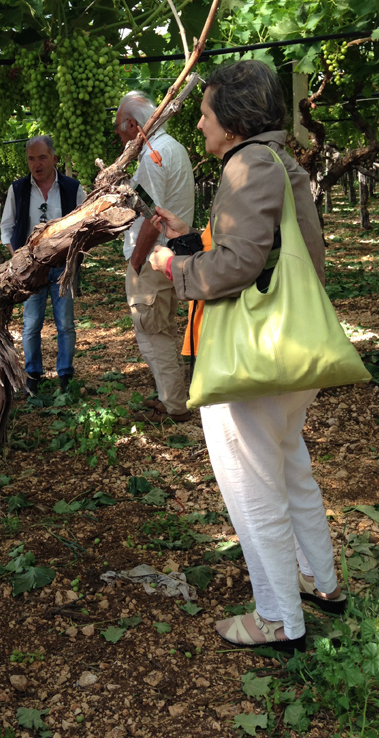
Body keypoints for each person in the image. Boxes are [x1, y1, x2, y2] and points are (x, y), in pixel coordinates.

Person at [149, 60, 346, 652]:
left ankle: (279, 618)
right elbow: (259, 248)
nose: (201, 125)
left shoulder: (247, 164)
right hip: (288, 349)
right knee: (290, 469)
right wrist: (188, 236)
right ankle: (321, 582)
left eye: (206, 114)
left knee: (251, 487)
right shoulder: (277, 162)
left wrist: (170, 264)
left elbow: (236, 267)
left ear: (233, 119)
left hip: (253, 361)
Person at [114, 91, 194, 423]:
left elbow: (153, 216)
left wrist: (135, 261)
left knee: (152, 334)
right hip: (171, 254)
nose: (122, 142)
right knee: (163, 329)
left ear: (132, 125)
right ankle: (173, 397)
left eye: (121, 133)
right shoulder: (174, 148)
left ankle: (175, 407)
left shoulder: (153, 155)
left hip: (151, 259)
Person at [0, 135, 85, 393]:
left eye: (42, 157)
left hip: (62, 268)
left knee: (65, 323)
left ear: (54, 159)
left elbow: (84, 225)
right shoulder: (18, 189)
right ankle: (33, 375)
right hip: (32, 269)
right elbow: (6, 228)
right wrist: (20, 260)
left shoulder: (72, 188)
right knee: (32, 323)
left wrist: (73, 256)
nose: (36, 164)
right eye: (31, 159)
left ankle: (65, 376)